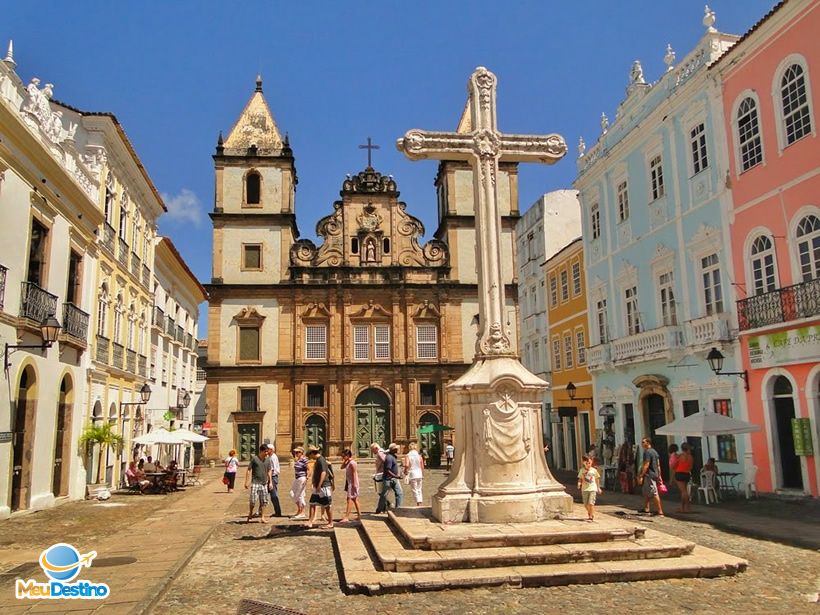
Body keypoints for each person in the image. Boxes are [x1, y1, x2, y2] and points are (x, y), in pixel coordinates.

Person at [306, 446, 333, 529]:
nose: (310, 457)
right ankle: (310, 521)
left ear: (312, 453)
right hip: (318, 486)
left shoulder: (321, 460)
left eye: (309, 455)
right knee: (312, 503)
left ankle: (330, 522)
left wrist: (319, 485)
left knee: (327, 505)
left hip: (323, 486)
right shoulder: (318, 460)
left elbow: (324, 473)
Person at [244, 444, 271, 524]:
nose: (267, 453)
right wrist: (247, 481)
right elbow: (249, 470)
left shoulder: (268, 460)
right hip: (255, 483)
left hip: (264, 483)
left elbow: (269, 470)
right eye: (265, 451)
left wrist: (270, 482)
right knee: (252, 500)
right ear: (261, 451)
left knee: (264, 501)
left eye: (267, 451)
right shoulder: (254, 459)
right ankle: (250, 513)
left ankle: (262, 517)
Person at [637, 438, 664, 516]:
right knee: (646, 492)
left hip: (649, 474)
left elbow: (646, 464)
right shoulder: (655, 452)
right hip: (654, 473)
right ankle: (646, 508)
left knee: (654, 492)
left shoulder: (647, 452)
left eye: (643, 442)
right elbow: (658, 465)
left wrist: (641, 475)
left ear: (648, 443)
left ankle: (660, 511)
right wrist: (659, 475)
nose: (642, 444)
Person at [376, 443, 403, 513]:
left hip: (393, 479)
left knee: (399, 493)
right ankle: (379, 509)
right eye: (396, 448)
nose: (398, 449)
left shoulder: (392, 456)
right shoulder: (389, 458)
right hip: (388, 479)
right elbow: (388, 470)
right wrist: (395, 476)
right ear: (393, 449)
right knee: (384, 495)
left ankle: (398, 508)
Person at [577, 454, 602, 522]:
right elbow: (580, 479)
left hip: (592, 489)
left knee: (591, 503)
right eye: (586, 463)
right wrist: (579, 483)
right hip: (584, 489)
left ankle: (591, 516)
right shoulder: (582, 470)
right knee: (585, 504)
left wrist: (598, 488)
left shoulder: (594, 470)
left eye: (590, 463)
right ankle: (590, 512)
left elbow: (597, 479)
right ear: (583, 463)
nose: (588, 464)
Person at [339, 448, 361, 523]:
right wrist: (345, 461)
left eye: (343, 456)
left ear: (348, 455)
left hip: (352, 483)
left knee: (349, 500)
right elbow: (341, 467)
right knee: (354, 499)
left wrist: (355, 484)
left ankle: (346, 517)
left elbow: (355, 473)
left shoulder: (352, 463)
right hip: (349, 482)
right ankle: (360, 515)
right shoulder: (348, 462)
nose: (342, 458)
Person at [674, 443, 694, 513]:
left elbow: (674, 465)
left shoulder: (680, 456)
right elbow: (691, 467)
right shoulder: (690, 457)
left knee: (684, 492)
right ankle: (682, 507)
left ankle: (687, 507)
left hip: (679, 473)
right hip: (686, 474)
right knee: (683, 491)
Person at [289, 447, 308, 519]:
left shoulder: (304, 459)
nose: (296, 453)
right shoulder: (298, 459)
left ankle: (302, 512)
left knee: (300, 494)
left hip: (302, 478)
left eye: (298, 452)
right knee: (292, 493)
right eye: (295, 452)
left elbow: (309, 469)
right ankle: (299, 509)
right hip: (297, 478)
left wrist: (307, 478)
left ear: (302, 453)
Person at [404, 442, 425, 506]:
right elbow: (422, 466)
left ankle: (418, 502)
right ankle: (420, 501)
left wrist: (405, 471)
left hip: (413, 474)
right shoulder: (419, 456)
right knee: (419, 488)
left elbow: (407, 465)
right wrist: (422, 474)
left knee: (414, 489)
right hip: (419, 473)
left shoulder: (408, 455)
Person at [266, 443, 282, 517]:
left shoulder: (273, 457)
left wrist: (270, 482)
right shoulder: (270, 457)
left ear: (271, 450)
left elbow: (272, 469)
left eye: (267, 449)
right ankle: (260, 511)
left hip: (272, 477)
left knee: (273, 495)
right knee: (265, 494)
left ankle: (278, 512)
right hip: (271, 477)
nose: (266, 450)